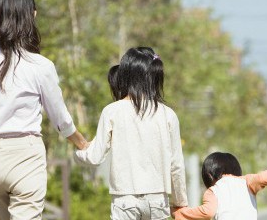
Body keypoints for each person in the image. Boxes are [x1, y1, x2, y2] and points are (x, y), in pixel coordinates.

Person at [0, 0, 88, 219]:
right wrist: (82, 143)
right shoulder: (41, 66)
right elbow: (61, 119)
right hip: (26, 156)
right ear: (31, 16)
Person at [75, 47, 188, 220]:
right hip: (158, 201)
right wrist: (180, 201)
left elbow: (95, 157)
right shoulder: (168, 114)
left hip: (124, 200)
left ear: (125, 75)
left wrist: (78, 152)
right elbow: (176, 165)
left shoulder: (112, 111)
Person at [173, 152, 267, 220]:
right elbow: (264, 177)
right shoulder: (247, 182)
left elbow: (208, 212)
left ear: (209, 175)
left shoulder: (213, 190)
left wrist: (181, 213)